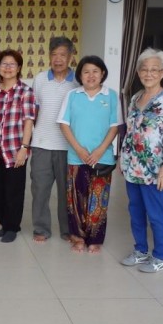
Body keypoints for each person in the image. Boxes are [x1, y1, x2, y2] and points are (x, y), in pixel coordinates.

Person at [120, 48, 163, 273]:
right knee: (135, 211)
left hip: (155, 170)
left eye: (154, 69)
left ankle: (159, 257)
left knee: (156, 214)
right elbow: (129, 131)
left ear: (162, 72)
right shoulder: (135, 98)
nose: (149, 73)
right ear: (138, 72)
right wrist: (123, 159)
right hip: (132, 166)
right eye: (144, 69)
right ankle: (140, 251)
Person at [57, 55, 119, 254]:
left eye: (95, 71)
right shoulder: (73, 95)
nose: (91, 75)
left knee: (98, 200)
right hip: (77, 157)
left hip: (102, 157)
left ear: (102, 74)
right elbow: (64, 124)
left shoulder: (111, 95)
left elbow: (115, 126)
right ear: (80, 75)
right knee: (76, 199)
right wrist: (78, 149)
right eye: (86, 72)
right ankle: (78, 237)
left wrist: (100, 150)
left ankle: (95, 239)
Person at [0, 50, 36, 243]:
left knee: (14, 191)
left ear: (18, 68)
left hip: (15, 150)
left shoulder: (25, 91)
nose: (8, 68)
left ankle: (13, 227)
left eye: (12, 64)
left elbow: (28, 121)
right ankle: (4, 224)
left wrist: (24, 147)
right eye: (4, 64)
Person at [30, 36, 79, 243]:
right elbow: (34, 111)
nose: (58, 59)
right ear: (49, 56)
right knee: (40, 189)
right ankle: (41, 228)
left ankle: (67, 229)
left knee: (66, 191)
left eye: (62, 55)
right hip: (41, 144)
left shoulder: (78, 82)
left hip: (68, 146)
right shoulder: (40, 79)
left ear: (71, 56)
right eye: (54, 54)